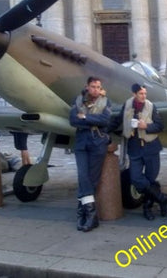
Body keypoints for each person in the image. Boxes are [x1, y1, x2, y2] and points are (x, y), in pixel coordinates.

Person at [110, 83, 167, 221]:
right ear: (134, 94)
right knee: (136, 179)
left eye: (145, 94)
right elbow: (118, 120)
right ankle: (161, 198)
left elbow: (160, 125)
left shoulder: (151, 106)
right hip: (134, 147)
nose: (144, 96)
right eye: (141, 94)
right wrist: (104, 131)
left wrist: (146, 126)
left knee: (150, 179)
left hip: (151, 147)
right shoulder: (127, 106)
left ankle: (147, 208)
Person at [69, 76, 112, 232]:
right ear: (87, 86)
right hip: (81, 142)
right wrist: (93, 120)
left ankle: (83, 213)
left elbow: (105, 120)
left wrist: (85, 117)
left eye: (99, 87)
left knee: (92, 179)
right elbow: (73, 120)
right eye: (93, 86)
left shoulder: (106, 101)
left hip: (97, 142)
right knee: (83, 176)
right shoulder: (78, 100)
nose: (96, 89)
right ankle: (91, 215)